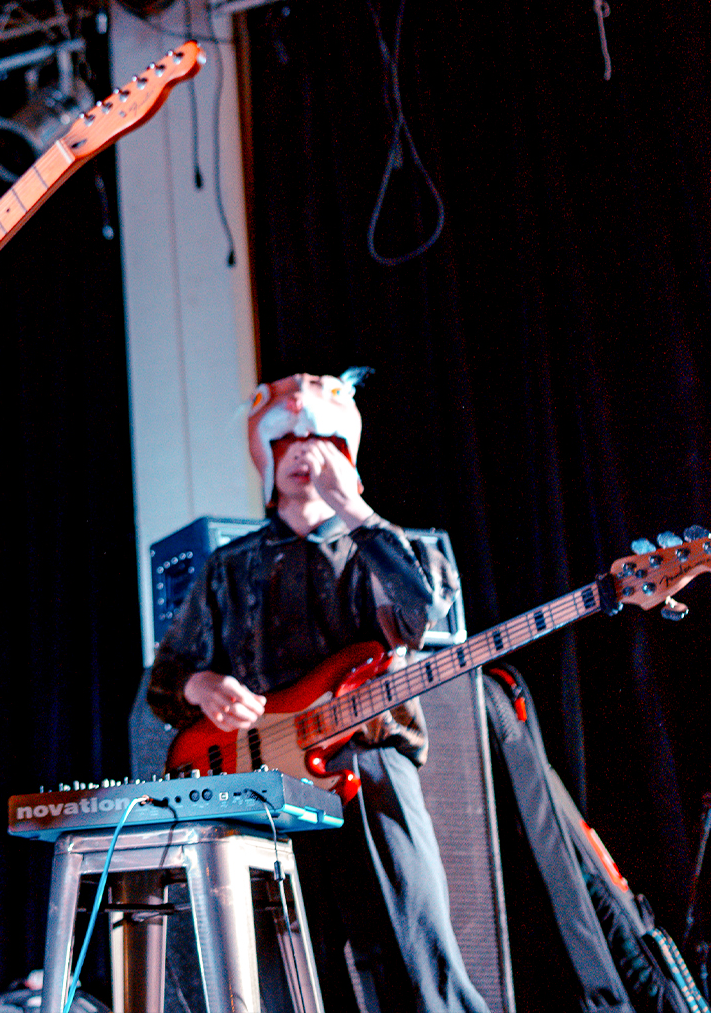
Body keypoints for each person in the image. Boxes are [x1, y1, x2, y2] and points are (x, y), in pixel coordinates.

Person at [148, 371, 489, 1013]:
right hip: (263, 783)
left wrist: (356, 511)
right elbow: (164, 682)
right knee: (293, 971)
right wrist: (201, 684)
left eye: (321, 441)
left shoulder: (381, 548)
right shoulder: (228, 567)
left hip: (371, 767)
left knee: (421, 962)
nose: (303, 453)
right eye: (286, 442)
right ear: (265, 456)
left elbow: (426, 615)